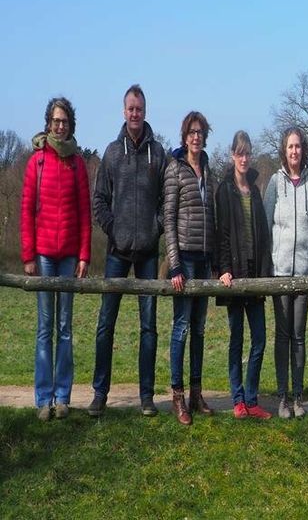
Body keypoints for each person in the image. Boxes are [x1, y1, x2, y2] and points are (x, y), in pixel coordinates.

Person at [89, 85, 167, 417]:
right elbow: (99, 201)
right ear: (124, 112)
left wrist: (155, 227)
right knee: (106, 323)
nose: (135, 113)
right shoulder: (111, 153)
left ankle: (147, 397)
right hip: (116, 253)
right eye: (130, 109)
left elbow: (167, 201)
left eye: (139, 108)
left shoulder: (158, 154)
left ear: (145, 112)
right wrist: (114, 229)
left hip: (148, 253)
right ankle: (99, 394)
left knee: (149, 326)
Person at [20, 97, 91, 420]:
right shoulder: (37, 162)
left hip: (69, 258)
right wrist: (27, 256)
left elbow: (85, 214)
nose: (60, 126)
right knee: (44, 327)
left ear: (70, 125)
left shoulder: (77, 164)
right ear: (48, 123)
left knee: (64, 328)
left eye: (65, 121)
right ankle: (41, 399)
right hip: (44, 256)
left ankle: (63, 397)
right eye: (56, 121)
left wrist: (84, 256)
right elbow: (25, 211)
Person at [264, 126, 308, 418]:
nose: (295, 151)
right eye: (290, 147)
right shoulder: (275, 182)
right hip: (279, 272)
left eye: (298, 146)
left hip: (303, 272)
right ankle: (282, 398)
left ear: (304, 150)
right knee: (283, 335)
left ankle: (299, 397)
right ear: (284, 151)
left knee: (299, 335)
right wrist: (267, 263)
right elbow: (266, 226)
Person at [163, 111, 217, 425]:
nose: (196, 137)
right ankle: (178, 396)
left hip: (203, 257)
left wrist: (212, 261)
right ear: (185, 136)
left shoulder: (208, 168)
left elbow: (211, 215)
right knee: (181, 327)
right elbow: (169, 218)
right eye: (192, 132)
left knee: (198, 329)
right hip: (183, 257)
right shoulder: (175, 169)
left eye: (200, 132)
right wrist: (174, 265)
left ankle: (196, 392)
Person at [216, 130, 273, 420]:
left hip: (254, 276)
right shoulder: (224, 190)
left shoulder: (255, 190)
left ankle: (252, 399)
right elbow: (222, 234)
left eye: (247, 153)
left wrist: (265, 274)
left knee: (259, 339)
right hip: (234, 277)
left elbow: (262, 237)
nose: (244, 158)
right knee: (236, 339)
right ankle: (237, 399)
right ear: (232, 155)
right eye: (239, 153)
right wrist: (223, 269)